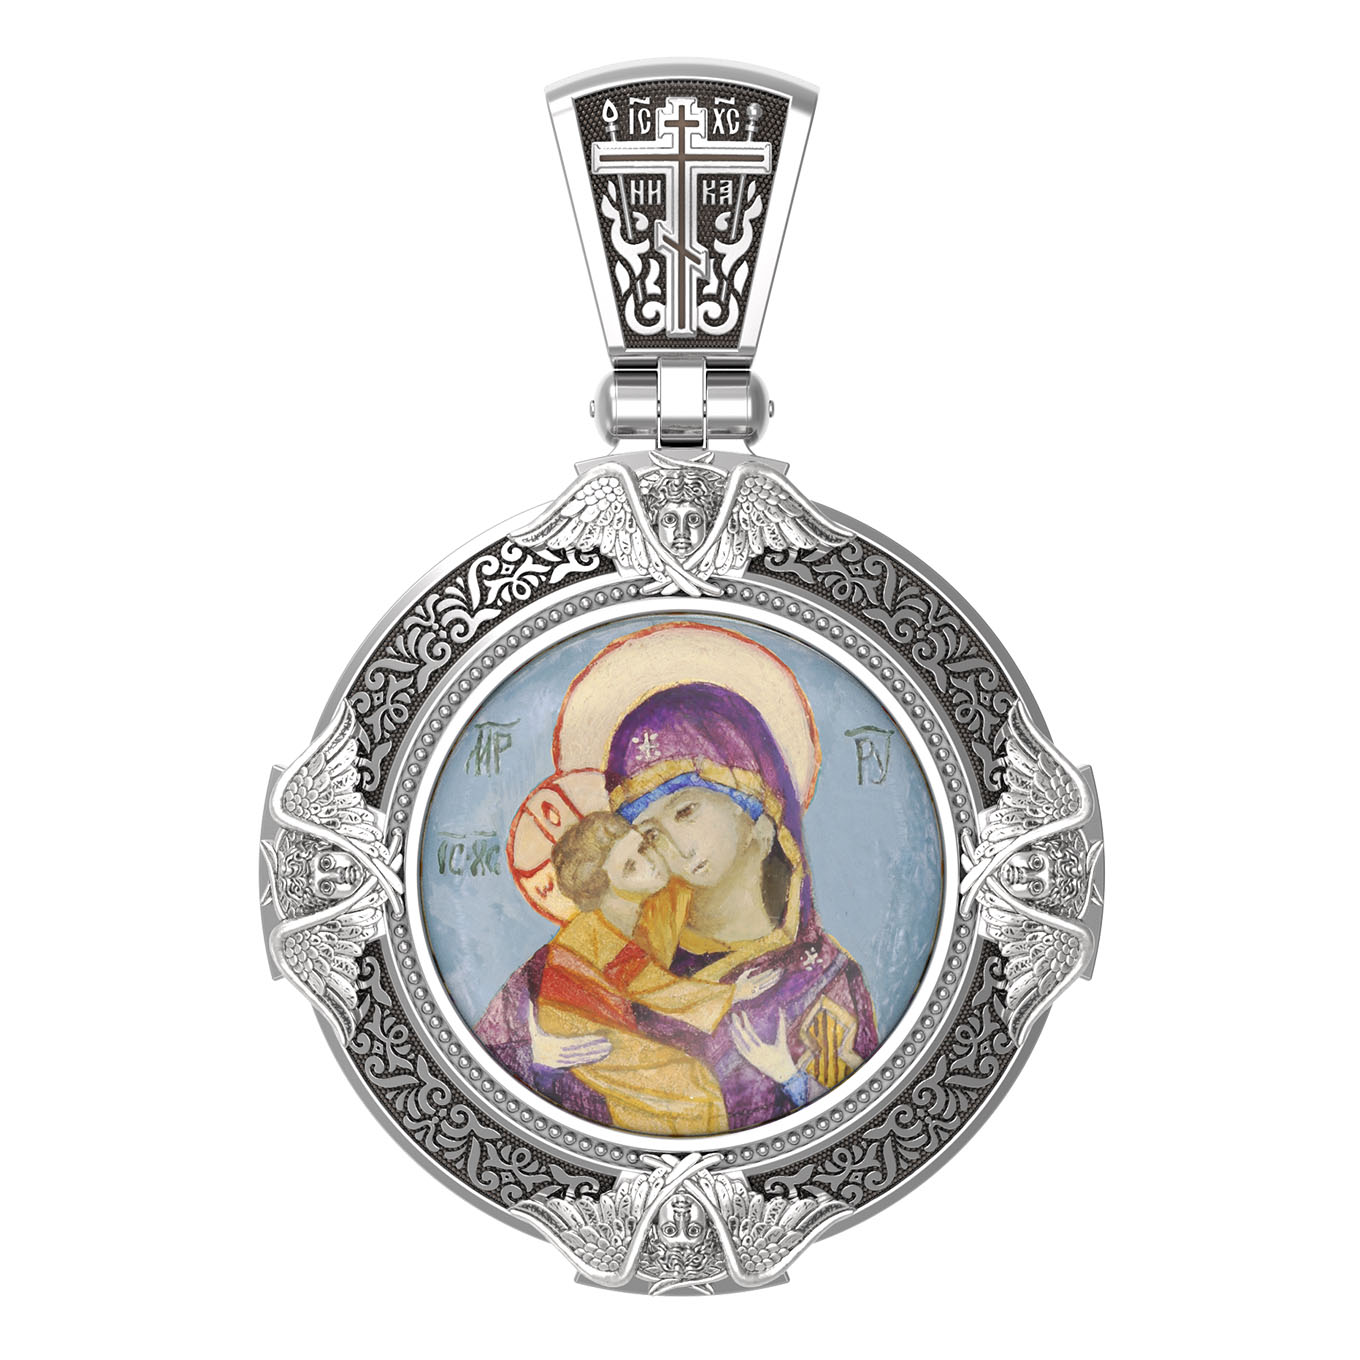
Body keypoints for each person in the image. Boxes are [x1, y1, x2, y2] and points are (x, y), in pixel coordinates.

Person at [524, 811, 776, 1136]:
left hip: (605, 1027)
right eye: (631, 867)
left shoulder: (637, 910)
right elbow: (653, 987)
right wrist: (730, 994)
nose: (650, 863)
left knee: (662, 1100)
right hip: (583, 1036)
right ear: (604, 889)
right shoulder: (600, 931)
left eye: (643, 847)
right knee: (693, 1089)